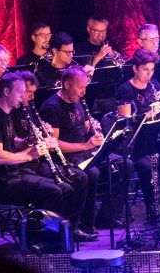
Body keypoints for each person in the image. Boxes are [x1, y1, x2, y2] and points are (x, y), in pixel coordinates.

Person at [0, 72, 92, 240]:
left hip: (14, 173)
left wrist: (30, 140)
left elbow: (12, 142)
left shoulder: (5, 113)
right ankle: (44, 240)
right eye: (20, 92)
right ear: (6, 92)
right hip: (1, 181)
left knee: (66, 186)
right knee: (54, 191)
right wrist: (30, 155)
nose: (23, 97)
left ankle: (67, 231)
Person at [39, 65, 115, 232]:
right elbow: (54, 145)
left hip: (82, 153)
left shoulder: (78, 100)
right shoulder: (52, 107)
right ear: (66, 84)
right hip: (64, 157)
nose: (83, 93)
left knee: (122, 164)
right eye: (80, 87)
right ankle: (78, 225)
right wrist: (85, 145)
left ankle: (103, 218)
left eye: (85, 87)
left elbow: (85, 126)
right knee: (90, 174)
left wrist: (93, 129)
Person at [115, 48, 160, 221]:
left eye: (152, 70)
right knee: (147, 166)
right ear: (135, 68)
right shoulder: (125, 90)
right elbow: (125, 123)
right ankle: (153, 209)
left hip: (156, 140)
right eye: (145, 70)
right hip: (136, 145)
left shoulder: (154, 85)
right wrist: (146, 115)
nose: (149, 74)